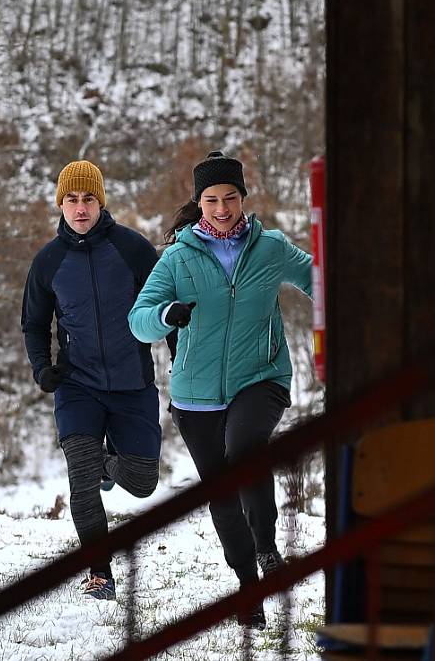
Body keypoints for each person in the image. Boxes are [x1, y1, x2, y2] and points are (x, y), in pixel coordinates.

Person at [128, 150, 313, 628]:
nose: (222, 208)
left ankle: (268, 545)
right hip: (196, 395)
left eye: (230, 197)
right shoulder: (177, 257)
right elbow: (139, 320)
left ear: (243, 198)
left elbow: (319, 278)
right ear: (199, 203)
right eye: (211, 200)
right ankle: (248, 591)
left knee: (246, 447)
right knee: (222, 494)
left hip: (262, 376)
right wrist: (167, 315)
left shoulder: (270, 248)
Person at [21, 160, 164, 601]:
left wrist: (181, 360)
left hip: (132, 382)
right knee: (81, 480)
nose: (80, 208)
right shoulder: (49, 261)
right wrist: (42, 368)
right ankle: (100, 574)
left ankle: (106, 462)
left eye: (88, 199)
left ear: (101, 202)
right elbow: (33, 322)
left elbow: (167, 305)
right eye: (72, 199)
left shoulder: (133, 249)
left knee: (143, 482)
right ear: (60, 203)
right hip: (77, 384)